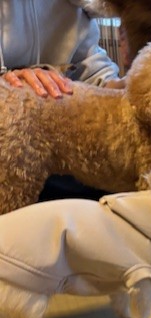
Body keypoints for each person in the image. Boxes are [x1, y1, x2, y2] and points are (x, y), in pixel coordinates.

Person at [0, 0, 121, 200]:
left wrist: (122, 87)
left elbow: (93, 70)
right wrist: (9, 79)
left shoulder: (76, 4)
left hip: (58, 138)